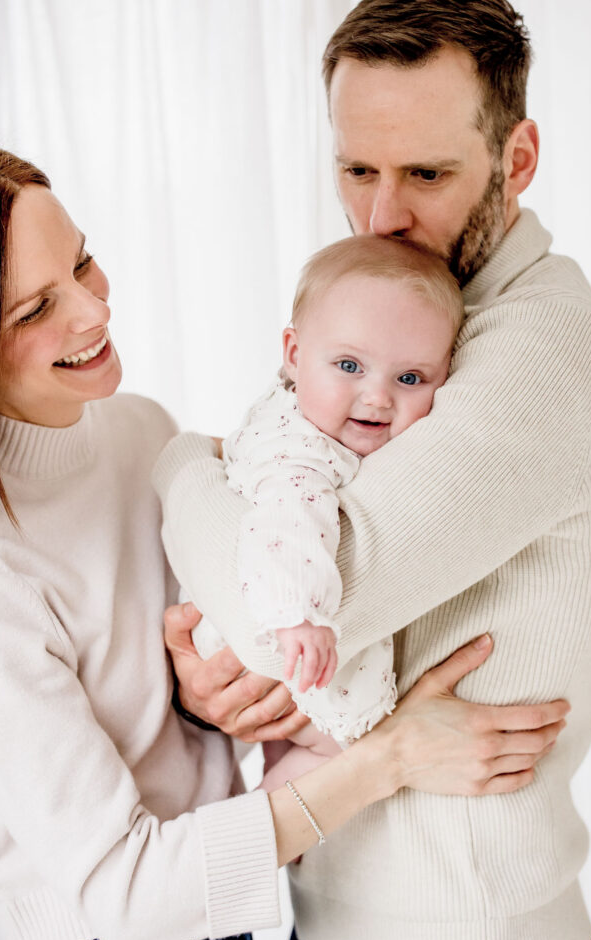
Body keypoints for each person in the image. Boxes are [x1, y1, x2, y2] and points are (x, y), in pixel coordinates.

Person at [157, 0, 591, 940]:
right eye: (355, 170)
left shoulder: (546, 351)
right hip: (332, 918)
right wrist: (212, 681)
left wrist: (169, 459)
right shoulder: (409, 317)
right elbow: (268, 537)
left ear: (516, 158)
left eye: (424, 174)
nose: (378, 216)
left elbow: (290, 592)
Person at [0, 146, 568, 940]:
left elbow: (162, 684)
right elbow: (126, 895)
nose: (91, 312)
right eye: (35, 309)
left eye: (82, 261)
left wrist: (204, 697)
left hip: (223, 930)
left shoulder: (140, 432)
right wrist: (391, 754)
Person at [186, 235, 463, 790]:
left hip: (259, 626)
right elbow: (287, 522)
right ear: (293, 354)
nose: (378, 397)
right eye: (349, 365)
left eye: (410, 378)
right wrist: (300, 616)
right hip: (279, 623)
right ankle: (256, 836)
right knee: (343, 746)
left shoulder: (293, 405)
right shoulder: (301, 451)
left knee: (295, 744)